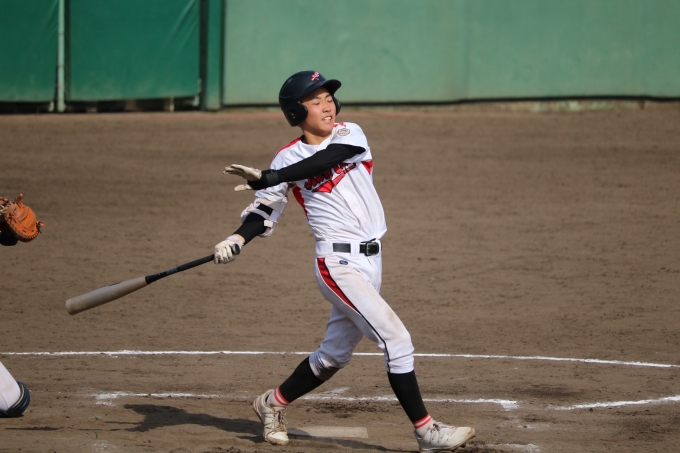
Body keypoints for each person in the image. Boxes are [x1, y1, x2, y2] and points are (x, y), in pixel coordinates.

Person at [214, 71, 475, 452]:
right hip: (336, 265)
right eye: (315, 101)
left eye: (329, 98)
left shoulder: (349, 134)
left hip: (372, 261)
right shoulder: (287, 157)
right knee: (396, 339)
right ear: (295, 112)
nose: (327, 106)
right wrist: (237, 238)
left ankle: (271, 403)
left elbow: (330, 158)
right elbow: (265, 209)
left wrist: (271, 176)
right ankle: (427, 432)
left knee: (333, 355)